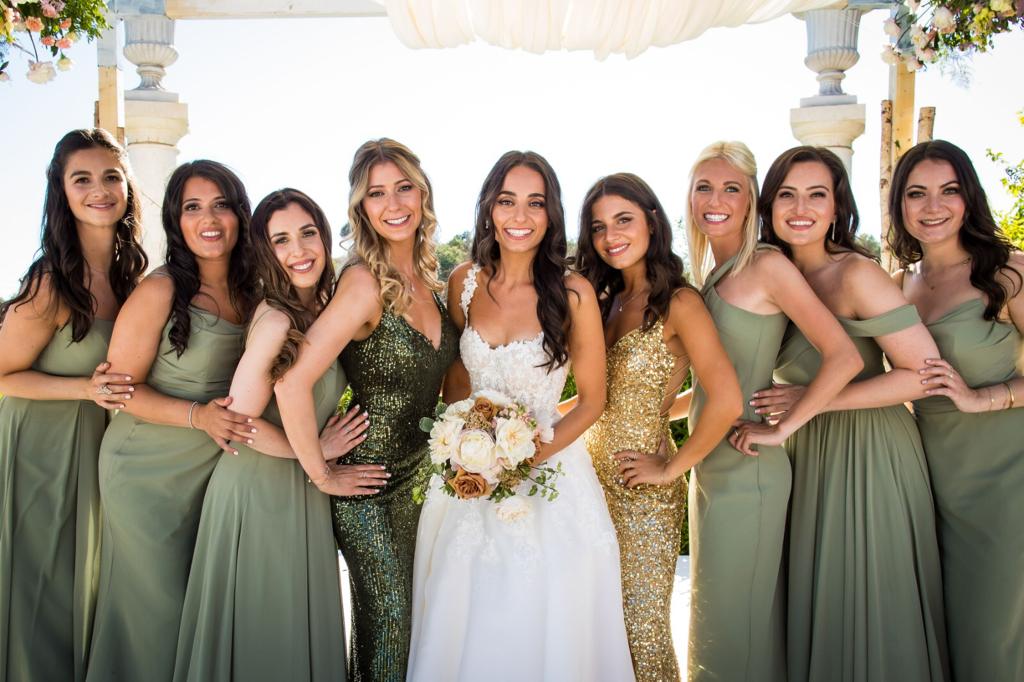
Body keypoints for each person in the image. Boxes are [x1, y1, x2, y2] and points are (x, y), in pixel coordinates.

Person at [407, 151, 635, 681]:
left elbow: (592, 401)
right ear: (489, 207)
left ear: (551, 214)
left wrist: (519, 460)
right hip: (467, 476)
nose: (520, 216)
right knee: (466, 610)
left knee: (543, 615)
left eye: (535, 203)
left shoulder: (573, 293)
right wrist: (462, 447)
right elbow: (458, 382)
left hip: (551, 476)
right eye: (507, 201)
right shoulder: (464, 283)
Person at [743, 146, 949, 681]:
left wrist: (810, 401)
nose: (801, 209)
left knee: (870, 602)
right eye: (787, 195)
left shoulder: (857, 274)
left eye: (817, 195)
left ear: (837, 207)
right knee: (822, 601)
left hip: (870, 453)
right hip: (805, 454)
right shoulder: (766, 274)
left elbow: (923, 375)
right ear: (768, 206)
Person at [275, 140, 458, 682]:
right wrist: (321, 473)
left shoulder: (431, 281)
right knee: (390, 626)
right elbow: (291, 381)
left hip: (421, 482)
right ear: (362, 207)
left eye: (404, 188)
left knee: (413, 625)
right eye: (377, 193)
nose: (393, 203)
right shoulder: (361, 283)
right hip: (367, 488)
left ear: (422, 195)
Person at [173, 189, 373, 681]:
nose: (298, 251)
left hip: (298, 488)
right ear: (265, 250)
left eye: (307, 234)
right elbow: (238, 424)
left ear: (324, 238)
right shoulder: (276, 319)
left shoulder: (325, 309)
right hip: (257, 492)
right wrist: (318, 460)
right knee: (265, 639)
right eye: (281, 240)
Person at [680, 141, 861, 682]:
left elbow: (845, 356)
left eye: (731, 188)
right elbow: (718, 386)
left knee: (734, 635)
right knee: (718, 628)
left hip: (749, 470)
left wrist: (784, 428)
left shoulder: (767, 266)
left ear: (751, 200)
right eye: (704, 187)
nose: (716, 200)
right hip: (710, 468)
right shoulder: (712, 275)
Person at [86, 160, 257, 681]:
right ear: (175, 221)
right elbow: (118, 393)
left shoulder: (256, 292)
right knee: (160, 616)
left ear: (240, 213)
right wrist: (197, 415)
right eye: (192, 207)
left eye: (221, 205)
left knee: (202, 613)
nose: (209, 219)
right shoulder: (160, 290)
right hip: (144, 474)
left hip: (212, 477)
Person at [572, 172, 741, 681]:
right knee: (599, 630)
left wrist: (671, 468)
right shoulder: (603, 301)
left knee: (641, 631)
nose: (611, 235)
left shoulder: (679, 303)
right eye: (598, 226)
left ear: (651, 221)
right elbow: (597, 400)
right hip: (588, 483)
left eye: (623, 220)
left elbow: (726, 398)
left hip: (643, 492)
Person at [0, 129, 147, 682]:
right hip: (38, 449)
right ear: (61, 191)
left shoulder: (134, 277)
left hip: (99, 448)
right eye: (81, 179)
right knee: (38, 587)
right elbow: (3, 374)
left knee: (84, 584)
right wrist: (85, 389)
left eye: (111, 176)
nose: (99, 190)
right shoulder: (50, 281)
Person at [890, 139, 1023, 682]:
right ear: (899, 203)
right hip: (929, 483)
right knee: (948, 633)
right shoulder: (899, 283)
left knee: (993, 635)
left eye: (948, 190)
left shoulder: (1009, 271)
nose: (933, 206)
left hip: (1005, 481)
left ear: (969, 197)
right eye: (916, 193)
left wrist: (978, 397)